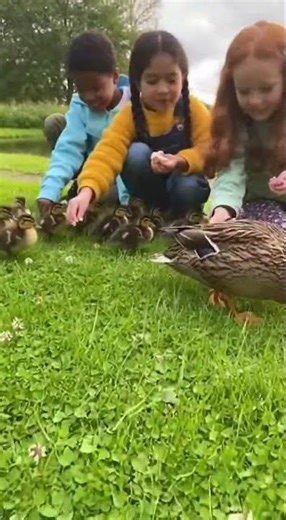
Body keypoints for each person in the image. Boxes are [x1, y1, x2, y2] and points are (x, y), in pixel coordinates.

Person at [66, 30, 211, 226]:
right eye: (152, 81)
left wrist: (181, 161)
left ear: (183, 77)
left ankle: (182, 218)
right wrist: (86, 191)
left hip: (183, 187)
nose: (162, 89)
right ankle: (148, 214)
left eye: (171, 80)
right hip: (150, 192)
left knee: (187, 184)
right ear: (137, 82)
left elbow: (211, 150)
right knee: (135, 153)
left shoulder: (194, 109)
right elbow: (106, 153)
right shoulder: (128, 115)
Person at [37, 30, 130, 216]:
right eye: (81, 89)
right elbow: (68, 148)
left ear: (114, 76)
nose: (89, 97)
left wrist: (126, 202)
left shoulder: (133, 105)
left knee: (106, 197)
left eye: (96, 88)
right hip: (88, 163)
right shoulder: (80, 105)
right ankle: (81, 186)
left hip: (117, 174)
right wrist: (49, 192)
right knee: (54, 122)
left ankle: (89, 193)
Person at [205, 21, 286, 227]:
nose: (255, 101)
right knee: (274, 232)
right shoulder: (237, 123)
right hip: (260, 205)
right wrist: (223, 209)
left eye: (266, 89)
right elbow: (231, 172)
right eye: (244, 92)